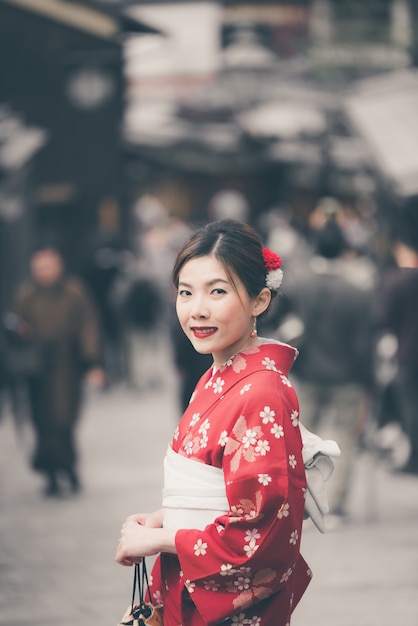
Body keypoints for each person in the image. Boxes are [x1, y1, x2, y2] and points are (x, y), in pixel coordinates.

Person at [115, 219, 312, 626]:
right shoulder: (216, 375)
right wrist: (164, 515)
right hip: (187, 581)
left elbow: (260, 532)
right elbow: (213, 491)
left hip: (221, 605)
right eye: (185, 292)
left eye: (217, 291)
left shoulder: (262, 394)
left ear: (259, 301)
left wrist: (162, 538)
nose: (196, 309)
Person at [275, 216, 375, 520]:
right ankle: (337, 506)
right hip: (348, 376)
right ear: (344, 250)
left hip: (307, 373)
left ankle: (300, 502)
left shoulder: (298, 285)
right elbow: (363, 343)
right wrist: (369, 379)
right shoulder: (358, 292)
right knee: (344, 438)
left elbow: (283, 325)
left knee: (301, 439)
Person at [8, 243, 105, 496]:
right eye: (39, 267)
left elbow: (89, 326)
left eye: (48, 265)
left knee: (65, 420)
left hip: (67, 368)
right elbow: (14, 326)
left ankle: (69, 468)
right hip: (38, 372)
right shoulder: (26, 295)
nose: (44, 271)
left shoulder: (75, 292)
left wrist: (92, 361)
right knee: (43, 423)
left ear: (59, 264)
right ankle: (51, 474)